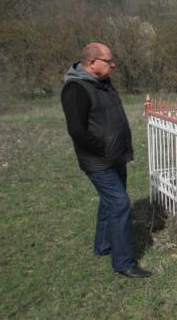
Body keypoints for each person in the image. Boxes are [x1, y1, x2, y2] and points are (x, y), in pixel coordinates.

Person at [61, 42, 151, 278]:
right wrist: (102, 148)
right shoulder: (76, 89)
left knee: (108, 202)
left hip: (116, 156)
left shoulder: (102, 83)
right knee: (120, 203)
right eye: (108, 61)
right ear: (91, 63)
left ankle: (103, 245)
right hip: (98, 160)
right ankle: (123, 263)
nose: (113, 64)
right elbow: (77, 130)